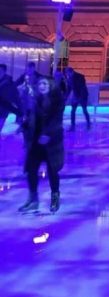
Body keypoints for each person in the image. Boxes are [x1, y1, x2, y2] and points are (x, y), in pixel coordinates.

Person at [18, 76, 65, 214]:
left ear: (50, 85)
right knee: (31, 170)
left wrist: (48, 134)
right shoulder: (36, 100)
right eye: (40, 84)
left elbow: (57, 120)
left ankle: (55, 197)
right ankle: (33, 199)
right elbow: (32, 118)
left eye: (44, 83)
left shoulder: (57, 101)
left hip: (51, 143)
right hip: (36, 141)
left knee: (52, 172)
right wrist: (24, 126)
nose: (42, 86)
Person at [0, 63, 20, 133]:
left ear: (4, 71)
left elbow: (15, 95)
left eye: (0, 71)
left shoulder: (8, 82)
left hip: (3, 108)